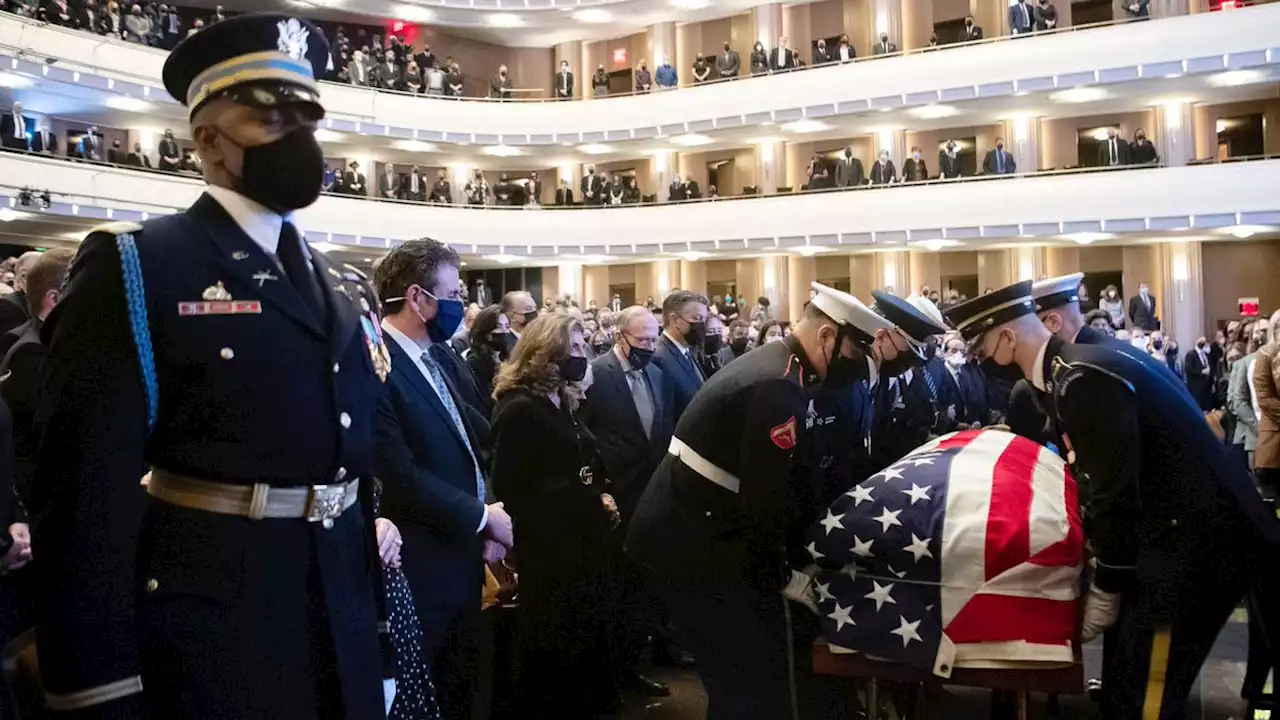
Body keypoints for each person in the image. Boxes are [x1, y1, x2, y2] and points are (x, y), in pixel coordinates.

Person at [34, 14, 393, 717]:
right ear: (208, 140)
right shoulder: (140, 265)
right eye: (272, 119)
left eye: (307, 118)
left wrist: (372, 639)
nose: (299, 139)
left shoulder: (338, 283)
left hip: (337, 620)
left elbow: (352, 474)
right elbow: (84, 495)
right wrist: (96, 689)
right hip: (213, 631)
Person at [943, 281, 1280, 720]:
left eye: (983, 350)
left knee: (1148, 700)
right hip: (1173, 540)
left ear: (1008, 337)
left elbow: (1112, 490)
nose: (982, 363)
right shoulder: (1081, 366)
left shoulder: (1081, 378)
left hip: (1191, 553)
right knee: (1126, 685)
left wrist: (1106, 585)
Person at [626, 283, 926, 719]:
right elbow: (767, 498)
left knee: (751, 675)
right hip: (690, 543)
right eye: (854, 352)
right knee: (745, 682)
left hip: (706, 532)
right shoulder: (777, 386)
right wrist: (783, 573)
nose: (859, 365)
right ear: (827, 337)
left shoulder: (785, 371)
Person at [372, 240, 510, 720]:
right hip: (418, 561)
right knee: (423, 694)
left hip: (462, 553)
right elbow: (398, 472)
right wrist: (479, 517)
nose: (461, 305)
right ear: (417, 298)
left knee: (462, 688)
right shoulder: (379, 364)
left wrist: (487, 516)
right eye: (452, 293)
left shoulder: (442, 356)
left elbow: (474, 442)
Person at [490, 313, 621, 717]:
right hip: (547, 543)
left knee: (583, 630)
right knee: (554, 635)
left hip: (581, 537)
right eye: (576, 348)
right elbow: (510, 483)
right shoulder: (519, 408)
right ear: (548, 352)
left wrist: (596, 493)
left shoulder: (562, 400)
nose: (583, 356)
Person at [580, 306, 676, 699]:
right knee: (613, 591)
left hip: (649, 497)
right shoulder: (596, 374)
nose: (650, 347)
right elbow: (584, 436)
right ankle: (608, 676)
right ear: (620, 336)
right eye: (643, 340)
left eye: (654, 339)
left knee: (641, 590)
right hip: (612, 498)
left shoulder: (658, 373)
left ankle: (634, 668)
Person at [652, 290, 708, 422]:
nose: (702, 325)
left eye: (704, 320)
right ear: (674, 319)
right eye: (697, 318)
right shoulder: (659, 357)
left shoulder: (688, 350)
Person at [465, 305, 510, 400]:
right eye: (499, 327)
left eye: (507, 326)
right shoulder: (475, 360)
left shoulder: (505, 356)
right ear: (486, 332)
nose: (504, 331)